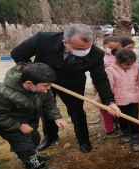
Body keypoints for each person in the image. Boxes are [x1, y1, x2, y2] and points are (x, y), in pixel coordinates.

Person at [11, 24, 121, 153]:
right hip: (44, 83)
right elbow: (18, 53)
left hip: (73, 83)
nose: (84, 51)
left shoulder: (96, 54)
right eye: (79, 48)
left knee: (77, 112)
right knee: (46, 109)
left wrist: (110, 101)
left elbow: (100, 78)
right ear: (65, 42)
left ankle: (84, 141)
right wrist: (34, 73)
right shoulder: (43, 39)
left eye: (88, 47)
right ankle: (50, 136)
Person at [0, 63, 68, 169]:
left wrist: (56, 117)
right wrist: (18, 125)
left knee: (34, 141)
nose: (49, 88)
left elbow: (49, 102)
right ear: (29, 83)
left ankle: (34, 158)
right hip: (12, 127)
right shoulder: (3, 94)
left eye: (50, 85)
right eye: (46, 85)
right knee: (25, 148)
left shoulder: (42, 88)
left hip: (31, 122)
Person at [106, 48, 139, 151]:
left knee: (134, 119)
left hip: (134, 98)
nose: (130, 66)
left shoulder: (136, 68)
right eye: (127, 65)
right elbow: (109, 86)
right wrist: (110, 101)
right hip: (119, 100)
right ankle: (125, 132)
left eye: (132, 64)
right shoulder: (110, 70)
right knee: (122, 119)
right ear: (118, 62)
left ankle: (136, 136)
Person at [92, 36, 121, 137]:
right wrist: (94, 86)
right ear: (103, 46)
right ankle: (109, 130)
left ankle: (117, 123)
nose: (112, 50)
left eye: (115, 47)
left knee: (117, 107)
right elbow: (95, 74)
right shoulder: (99, 57)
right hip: (103, 88)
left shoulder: (119, 57)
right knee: (105, 109)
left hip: (117, 88)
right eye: (110, 47)